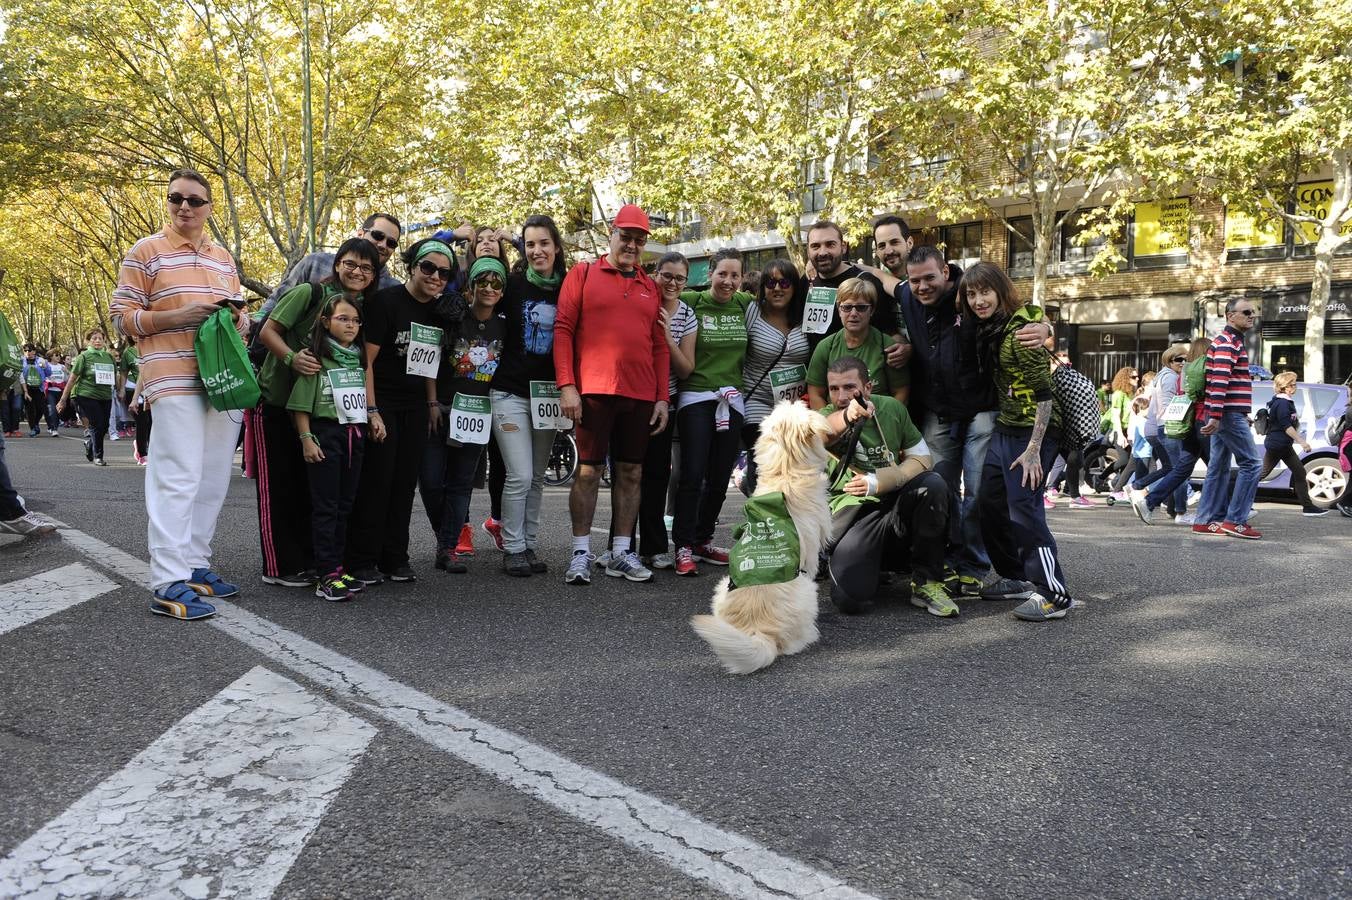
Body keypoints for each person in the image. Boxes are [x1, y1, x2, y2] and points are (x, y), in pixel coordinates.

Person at [861, 244, 1048, 596]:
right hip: (937, 411)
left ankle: (973, 565)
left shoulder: (970, 293)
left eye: (930, 278)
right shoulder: (907, 294)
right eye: (915, 281)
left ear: (946, 272)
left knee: (977, 492)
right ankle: (944, 560)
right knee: (938, 489)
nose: (922, 287)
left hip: (981, 409)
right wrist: (851, 264)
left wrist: (1044, 327)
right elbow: (886, 279)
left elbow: (1013, 309)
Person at [110, 167, 252, 620]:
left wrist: (238, 320)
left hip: (221, 377)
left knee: (212, 476)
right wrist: (179, 316)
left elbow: (238, 315)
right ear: (167, 203)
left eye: (194, 200)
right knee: (177, 475)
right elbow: (123, 319)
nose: (185, 207)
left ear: (210, 208)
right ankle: (167, 580)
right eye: (176, 199)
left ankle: (194, 564)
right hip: (171, 377)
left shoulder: (223, 258)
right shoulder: (145, 251)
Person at [253, 238, 381, 587]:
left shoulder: (355, 309)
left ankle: (315, 563)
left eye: (367, 268)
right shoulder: (308, 293)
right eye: (351, 263)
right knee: (280, 486)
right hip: (280, 400)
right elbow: (267, 331)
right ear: (337, 264)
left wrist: (371, 410)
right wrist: (292, 358)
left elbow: (362, 364)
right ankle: (278, 567)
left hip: (325, 412)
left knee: (312, 490)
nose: (358, 272)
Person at [553, 204, 670, 586]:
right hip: (593, 391)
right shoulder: (583, 272)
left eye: (639, 239)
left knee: (632, 472)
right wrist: (567, 385)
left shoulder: (649, 286)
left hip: (638, 394)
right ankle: (581, 552)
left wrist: (661, 398)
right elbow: (564, 330)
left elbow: (659, 346)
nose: (632, 245)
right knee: (588, 471)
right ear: (611, 234)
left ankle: (620, 551)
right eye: (626, 236)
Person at [962, 262, 1075, 621]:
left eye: (985, 292)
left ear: (1000, 291)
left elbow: (1045, 396)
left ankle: (1054, 594)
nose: (979, 300)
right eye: (971, 294)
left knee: (1023, 508)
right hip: (1007, 427)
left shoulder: (1018, 335)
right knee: (989, 502)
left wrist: (1033, 450)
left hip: (1034, 432)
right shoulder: (989, 330)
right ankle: (1016, 576)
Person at [344, 238, 457, 584]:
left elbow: (428, 364)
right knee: (378, 481)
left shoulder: (437, 311)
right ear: (412, 267)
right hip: (384, 404)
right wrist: (372, 408)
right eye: (428, 268)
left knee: (405, 483)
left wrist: (431, 403)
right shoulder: (385, 302)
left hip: (416, 406)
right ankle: (362, 559)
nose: (435, 276)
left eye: (443, 272)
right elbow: (368, 362)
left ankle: (395, 557)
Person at [819, 356, 952, 617]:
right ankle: (873, 566)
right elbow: (820, 433)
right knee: (850, 601)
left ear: (868, 388)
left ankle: (928, 582)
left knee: (933, 485)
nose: (841, 395)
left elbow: (922, 458)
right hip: (855, 517)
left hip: (894, 503)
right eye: (834, 388)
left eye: (849, 387)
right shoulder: (825, 416)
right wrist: (847, 416)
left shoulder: (891, 408)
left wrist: (882, 481)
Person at [489, 215, 570, 576]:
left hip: (548, 396)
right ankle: (513, 546)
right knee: (519, 474)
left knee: (537, 475)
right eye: (531, 244)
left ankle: (529, 545)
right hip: (508, 393)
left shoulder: (570, 286)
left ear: (556, 247)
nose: (538, 251)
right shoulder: (513, 285)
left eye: (544, 243)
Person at [419, 255, 507, 574]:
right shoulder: (451, 315)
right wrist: (430, 403)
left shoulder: (505, 326)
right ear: (470, 286)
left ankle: (446, 547)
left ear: (502, 289)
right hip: (439, 410)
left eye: (495, 282)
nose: (488, 287)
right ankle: (446, 535)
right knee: (430, 481)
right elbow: (428, 361)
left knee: (460, 485)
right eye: (481, 280)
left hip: (476, 415)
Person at [670, 248, 753, 579]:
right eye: (723, 274)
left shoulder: (745, 304)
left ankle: (703, 539)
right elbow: (660, 293)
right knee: (692, 473)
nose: (728, 281)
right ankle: (683, 546)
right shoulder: (693, 299)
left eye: (735, 275)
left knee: (721, 476)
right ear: (710, 274)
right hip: (695, 398)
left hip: (731, 401)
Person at [288, 296, 369, 601]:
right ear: (326, 322)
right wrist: (306, 438)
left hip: (354, 435)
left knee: (345, 506)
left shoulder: (357, 358)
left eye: (355, 320)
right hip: (325, 435)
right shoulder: (315, 358)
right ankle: (325, 574)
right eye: (343, 319)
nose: (350, 325)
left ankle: (337, 565)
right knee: (326, 506)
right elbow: (299, 406)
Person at [1193, 298, 1263, 539]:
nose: (1251, 315)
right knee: (1252, 464)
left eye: (1252, 312)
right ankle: (1235, 521)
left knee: (1219, 466)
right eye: (1246, 312)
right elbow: (1219, 381)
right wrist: (1216, 415)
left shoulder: (1228, 342)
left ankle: (1205, 520)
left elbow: (1225, 382)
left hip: (1228, 413)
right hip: (1227, 414)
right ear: (1230, 316)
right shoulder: (1227, 342)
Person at [740, 258, 810, 495]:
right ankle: (759, 512)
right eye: (770, 282)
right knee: (764, 460)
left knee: (791, 468)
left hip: (794, 407)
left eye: (784, 282)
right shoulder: (752, 312)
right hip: (756, 401)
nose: (777, 288)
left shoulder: (806, 317)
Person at [258, 213, 403, 317]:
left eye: (391, 243)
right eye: (378, 236)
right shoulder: (315, 263)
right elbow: (278, 299)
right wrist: (252, 329)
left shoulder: (392, 289)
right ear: (360, 234)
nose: (383, 245)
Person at [805, 278, 908, 410]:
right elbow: (815, 394)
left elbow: (901, 393)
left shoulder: (888, 346)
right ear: (839, 309)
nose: (853, 313)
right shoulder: (826, 347)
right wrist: (829, 425)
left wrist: (887, 421)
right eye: (847, 307)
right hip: (837, 423)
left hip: (878, 421)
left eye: (861, 307)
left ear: (872, 310)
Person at [1259, 371, 1325, 517]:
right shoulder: (1282, 403)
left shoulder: (1283, 401)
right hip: (1278, 444)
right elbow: (1286, 426)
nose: (1295, 386)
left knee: (1299, 472)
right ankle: (1236, 496)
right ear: (1285, 387)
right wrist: (1302, 442)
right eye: (1292, 384)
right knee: (1261, 473)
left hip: (1282, 444)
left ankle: (1308, 507)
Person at [57, 329, 117, 466]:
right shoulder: (83, 357)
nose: (97, 341)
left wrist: (120, 391)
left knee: (104, 426)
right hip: (86, 395)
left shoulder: (109, 357)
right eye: (94, 338)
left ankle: (90, 443)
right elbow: (72, 379)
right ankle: (98, 456)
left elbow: (115, 376)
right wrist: (63, 399)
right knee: (96, 424)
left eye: (100, 338)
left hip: (105, 395)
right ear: (88, 341)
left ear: (104, 341)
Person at [20, 346, 51, 437]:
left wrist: (45, 366)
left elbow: (49, 373)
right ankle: (33, 428)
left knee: (41, 408)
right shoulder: (21, 360)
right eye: (25, 350)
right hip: (26, 388)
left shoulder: (40, 360)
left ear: (34, 351)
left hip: (39, 388)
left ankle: (36, 423)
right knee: (30, 409)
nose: (27, 352)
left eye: (29, 350)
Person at [44, 352, 67, 436]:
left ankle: (51, 425)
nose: (58, 357)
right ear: (50, 357)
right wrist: (49, 381)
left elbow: (67, 379)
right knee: (53, 409)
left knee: (60, 410)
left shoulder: (62, 366)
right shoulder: (47, 365)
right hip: (50, 391)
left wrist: (66, 372)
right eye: (56, 355)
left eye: (59, 355)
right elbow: (44, 376)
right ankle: (54, 428)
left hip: (60, 391)